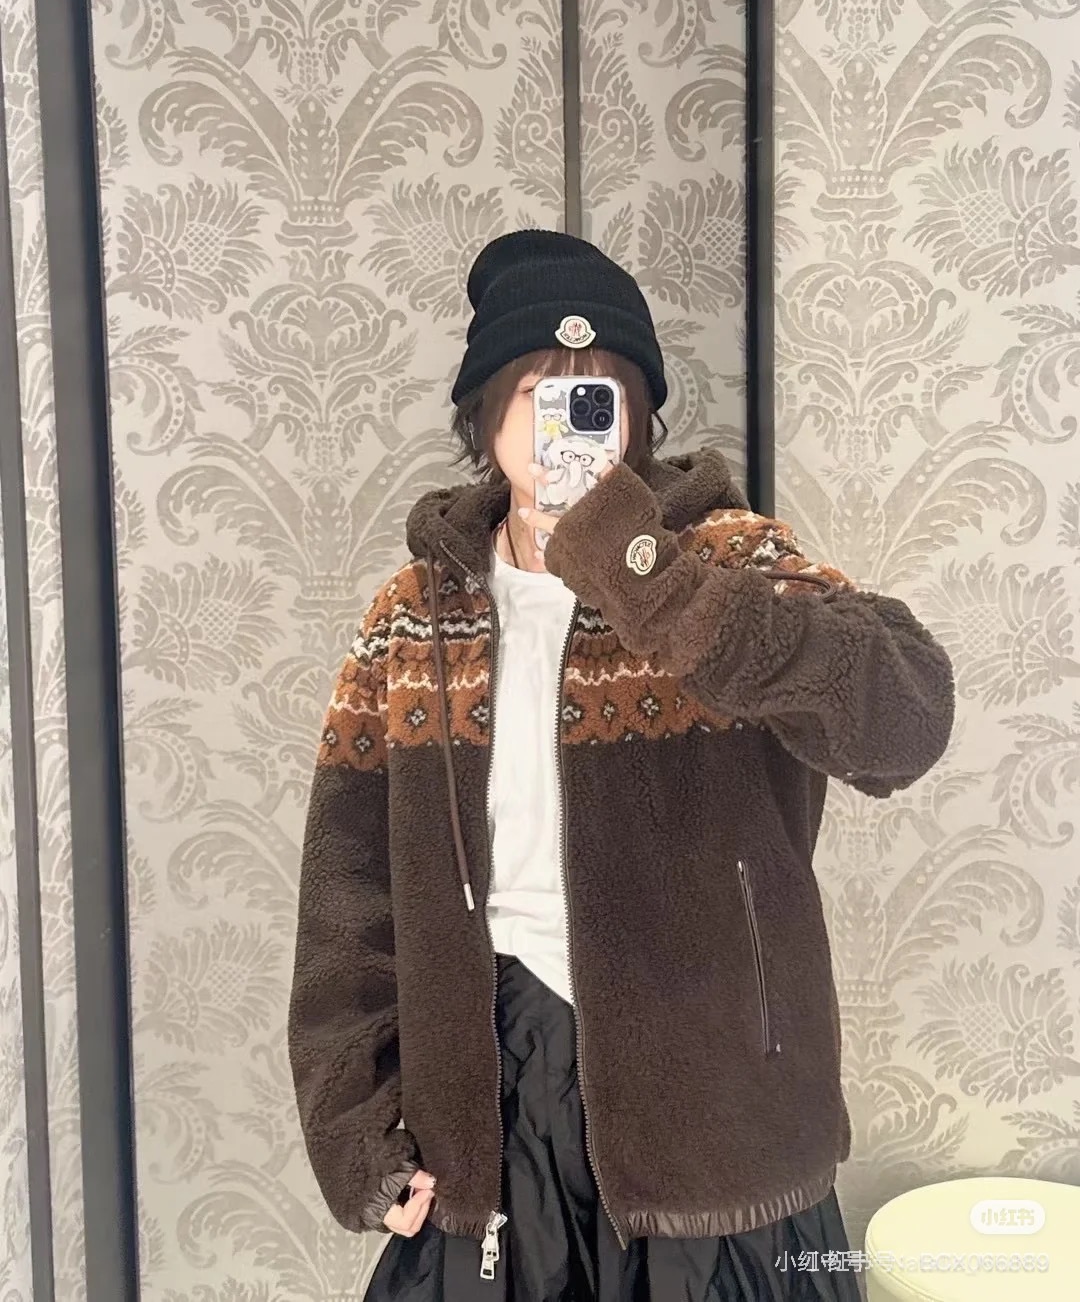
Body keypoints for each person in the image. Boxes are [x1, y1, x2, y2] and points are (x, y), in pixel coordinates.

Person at [287, 230, 956, 1300]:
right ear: (484, 413)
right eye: (537, 390)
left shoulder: (726, 558)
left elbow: (905, 720)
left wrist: (645, 572)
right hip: (491, 1104)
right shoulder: (415, 616)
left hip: (720, 1114)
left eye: (598, 392)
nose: (568, 418)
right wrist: (357, 1128)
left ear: (639, 414)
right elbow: (348, 891)